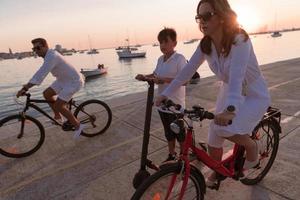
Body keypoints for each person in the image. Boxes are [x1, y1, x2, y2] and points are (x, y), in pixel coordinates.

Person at [155, 0, 271, 186]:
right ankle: (218, 171)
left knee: (223, 128)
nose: (202, 21)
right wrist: (166, 94)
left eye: (207, 16)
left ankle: (251, 145)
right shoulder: (206, 44)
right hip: (229, 91)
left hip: (252, 93)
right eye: (199, 17)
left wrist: (230, 110)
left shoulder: (240, 40)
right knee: (213, 135)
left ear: (222, 16)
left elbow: (237, 76)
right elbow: (186, 71)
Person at [135, 28, 187, 162]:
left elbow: (185, 80)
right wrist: (144, 76)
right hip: (162, 104)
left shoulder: (180, 59)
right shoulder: (160, 59)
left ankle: (184, 155)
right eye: (160, 43)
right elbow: (156, 75)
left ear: (174, 43)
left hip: (175, 105)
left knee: (179, 133)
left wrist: (163, 80)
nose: (162, 45)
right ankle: (171, 154)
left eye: (165, 42)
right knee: (168, 132)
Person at [16, 38, 85, 138]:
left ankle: (78, 126)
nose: (36, 50)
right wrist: (27, 86)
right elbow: (40, 73)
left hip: (73, 82)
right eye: (34, 48)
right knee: (46, 94)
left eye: (38, 48)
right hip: (63, 80)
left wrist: (25, 88)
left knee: (59, 105)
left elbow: (41, 74)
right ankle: (58, 117)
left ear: (45, 46)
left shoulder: (52, 56)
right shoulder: (48, 56)